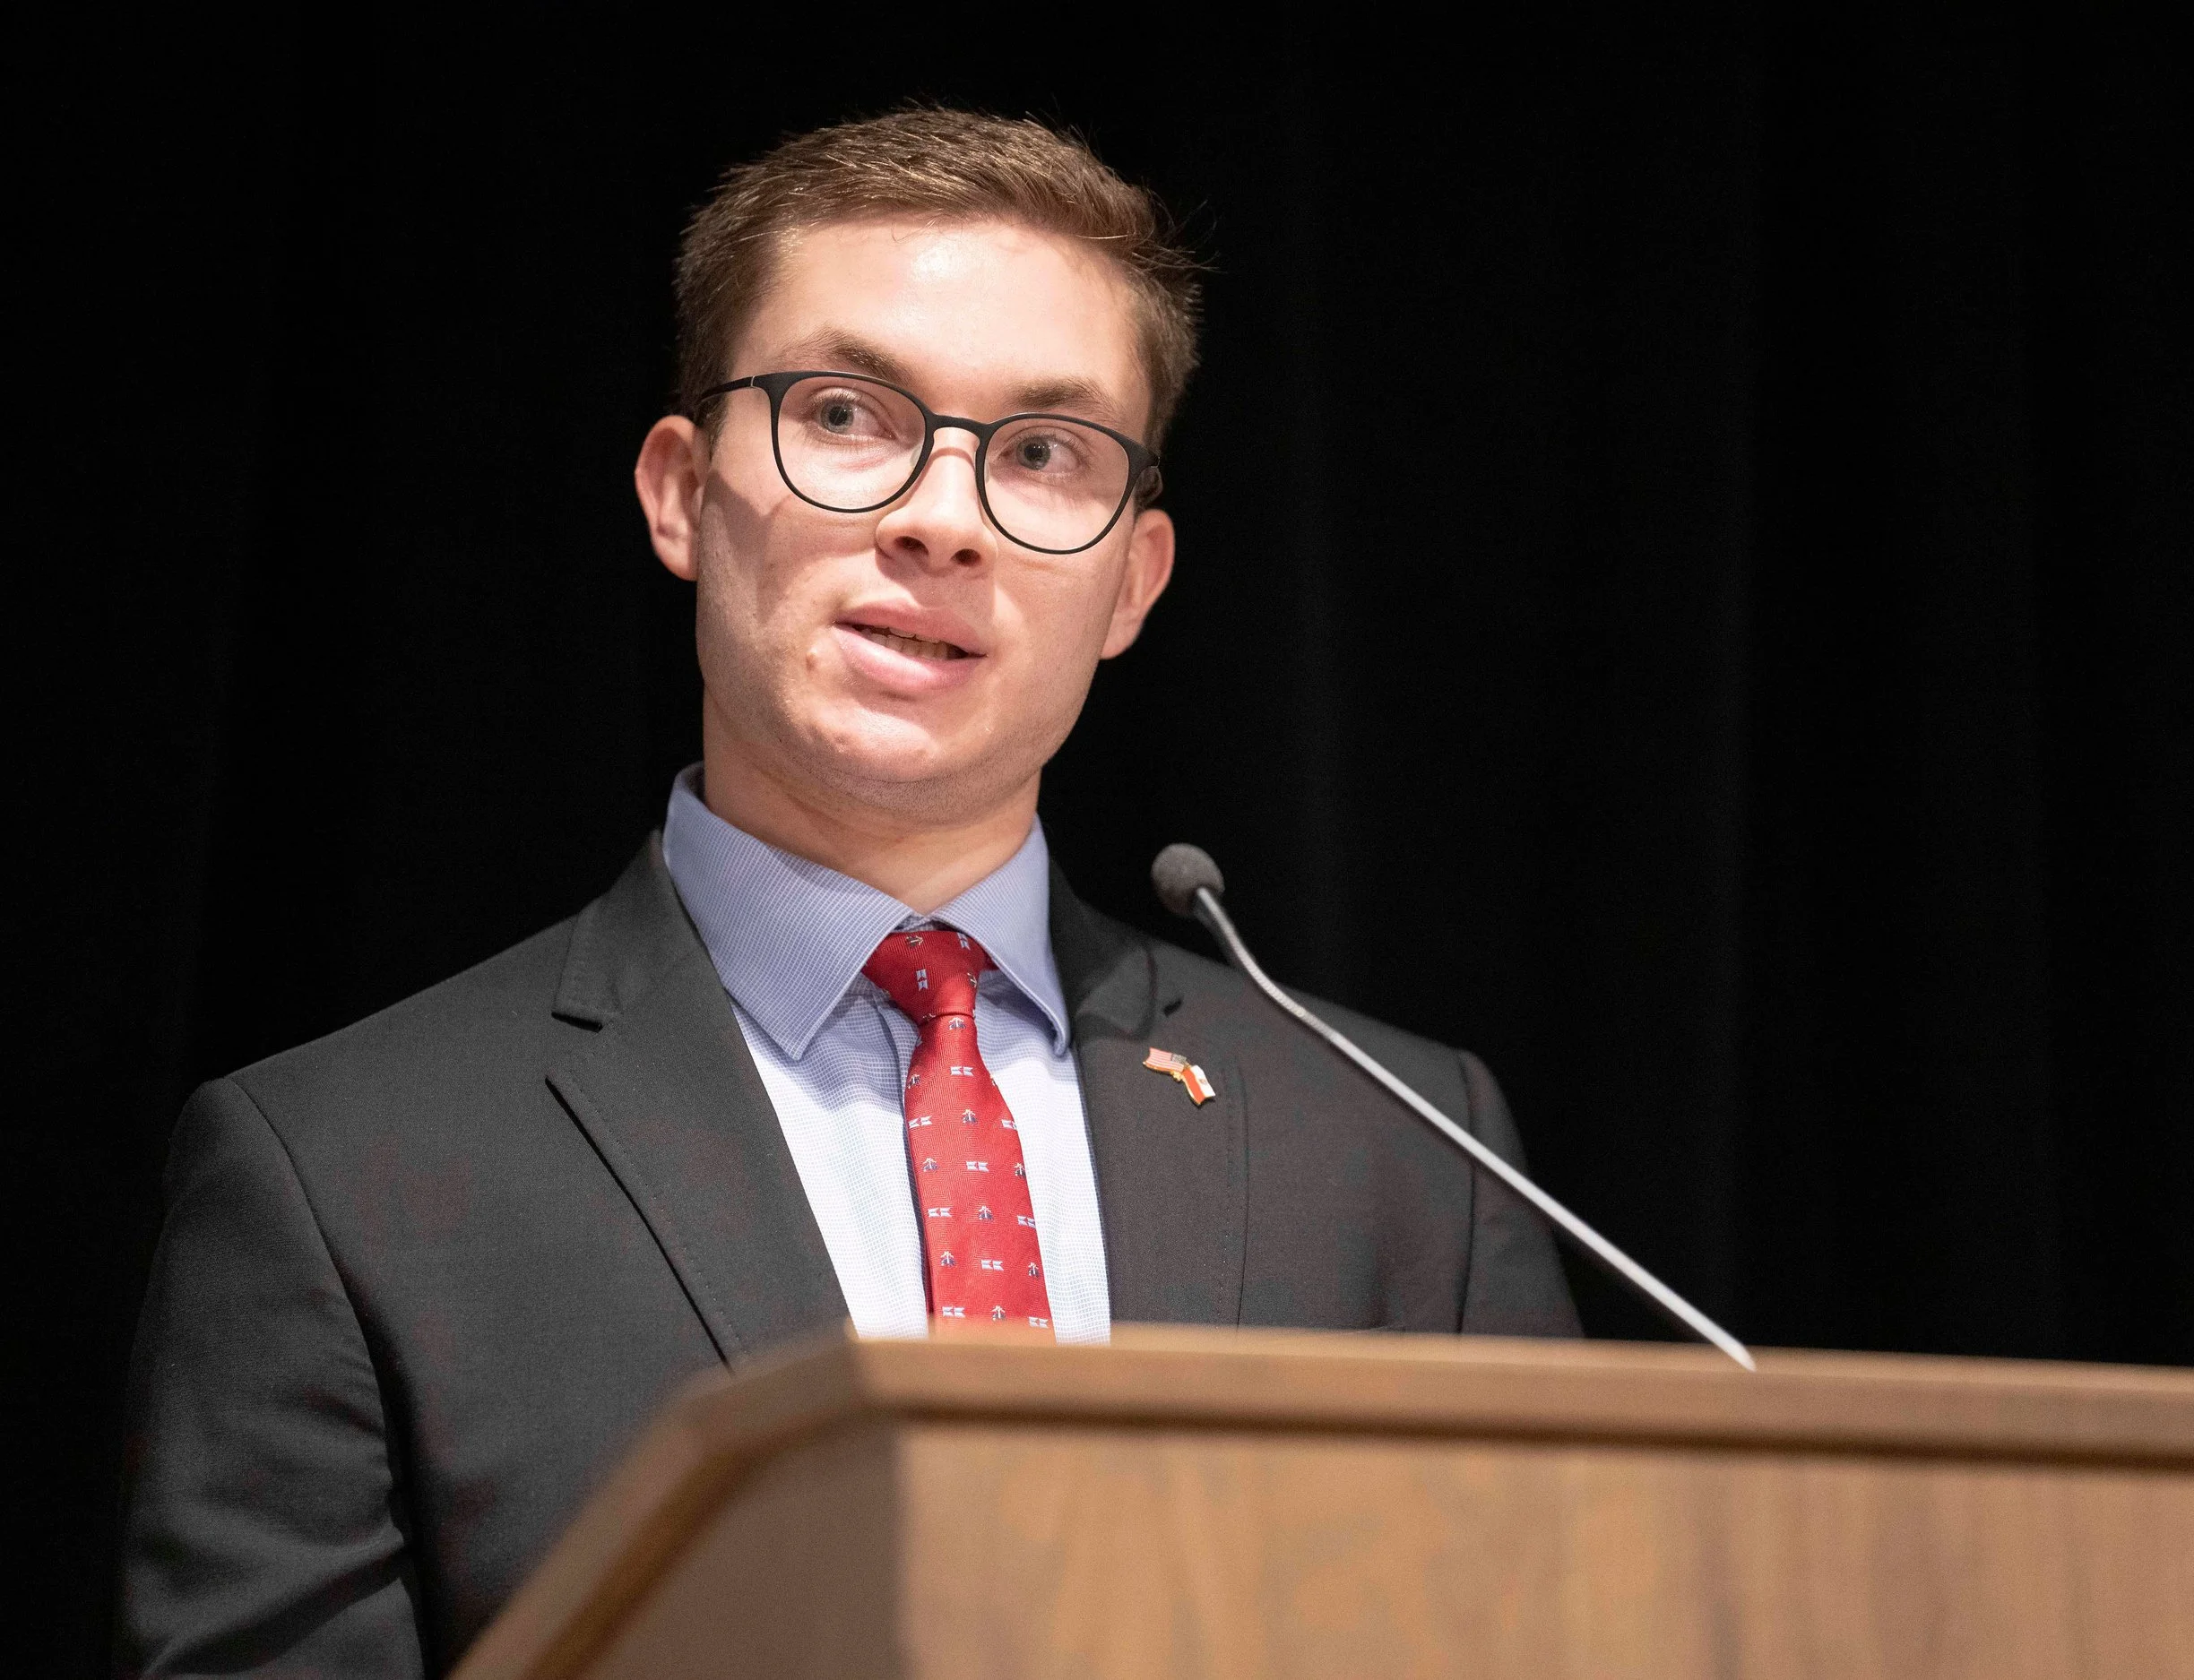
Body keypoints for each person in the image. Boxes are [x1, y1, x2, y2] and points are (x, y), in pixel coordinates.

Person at [117, 108, 1578, 1677]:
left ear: (1134, 581)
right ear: (680, 491)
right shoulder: (337, 1177)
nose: (942, 516)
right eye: (848, 415)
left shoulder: (1410, 1157)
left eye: (1041, 452)